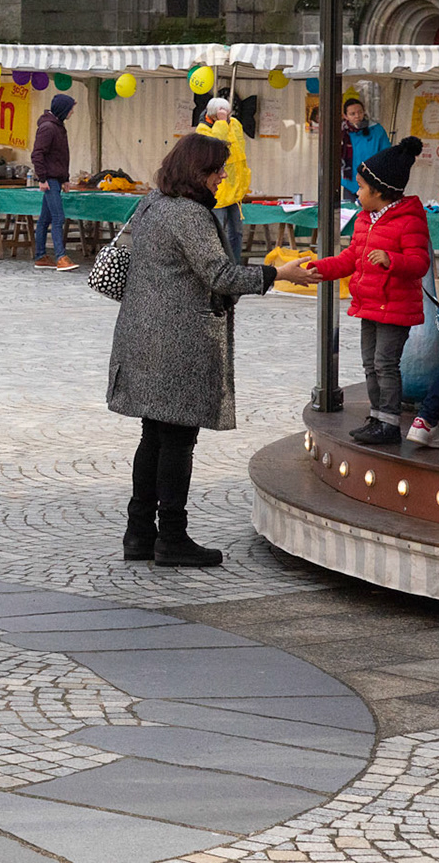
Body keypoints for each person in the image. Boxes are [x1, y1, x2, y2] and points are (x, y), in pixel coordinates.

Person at [108, 133, 287, 567]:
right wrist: (275, 274)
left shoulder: (153, 202)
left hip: (142, 336)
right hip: (177, 343)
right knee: (177, 439)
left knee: (154, 435)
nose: (222, 175)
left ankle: (138, 532)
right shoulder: (189, 214)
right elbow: (220, 275)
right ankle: (171, 536)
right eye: (215, 170)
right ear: (197, 172)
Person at [292, 137, 433, 445]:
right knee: (370, 363)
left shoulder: (409, 220)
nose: (356, 193)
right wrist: (319, 268)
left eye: (361, 187)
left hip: (396, 308)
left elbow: (420, 262)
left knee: (385, 363)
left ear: (380, 191)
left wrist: (390, 260)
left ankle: (390, 422)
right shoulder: (365, 220)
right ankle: (377, 416)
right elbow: (350, 258)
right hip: (369, 304)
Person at [195, 96, 249, 257]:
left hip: (235, 189)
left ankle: (235, 264)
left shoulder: (235, 124)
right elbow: (218, 146)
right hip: (217, 191)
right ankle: (219, 263)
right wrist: (221, 122)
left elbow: (240, 149)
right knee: (218, 232)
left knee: (237, 232)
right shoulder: (202, 129)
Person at [32, 93, 77, 271]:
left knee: (45, 218)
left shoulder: (58, 126)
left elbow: (61, 156)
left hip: (55, 179)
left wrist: (65, 178)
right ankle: (61, 257)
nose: (72, 113)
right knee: (58, 217)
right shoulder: (49, 128)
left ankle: (41, 256)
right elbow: (37, 154)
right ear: (63, 109)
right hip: (49, 180)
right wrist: (42, 178)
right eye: (70, 109)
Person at [338, 97, 390, 205]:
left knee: (370, 216)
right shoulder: (340, 132)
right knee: (350, 214)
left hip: (372, 181)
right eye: (352, 114)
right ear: (345, 116)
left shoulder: (376, 129)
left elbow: (387, 154)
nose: (357, 116)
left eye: (360, 112)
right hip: (349, 182)